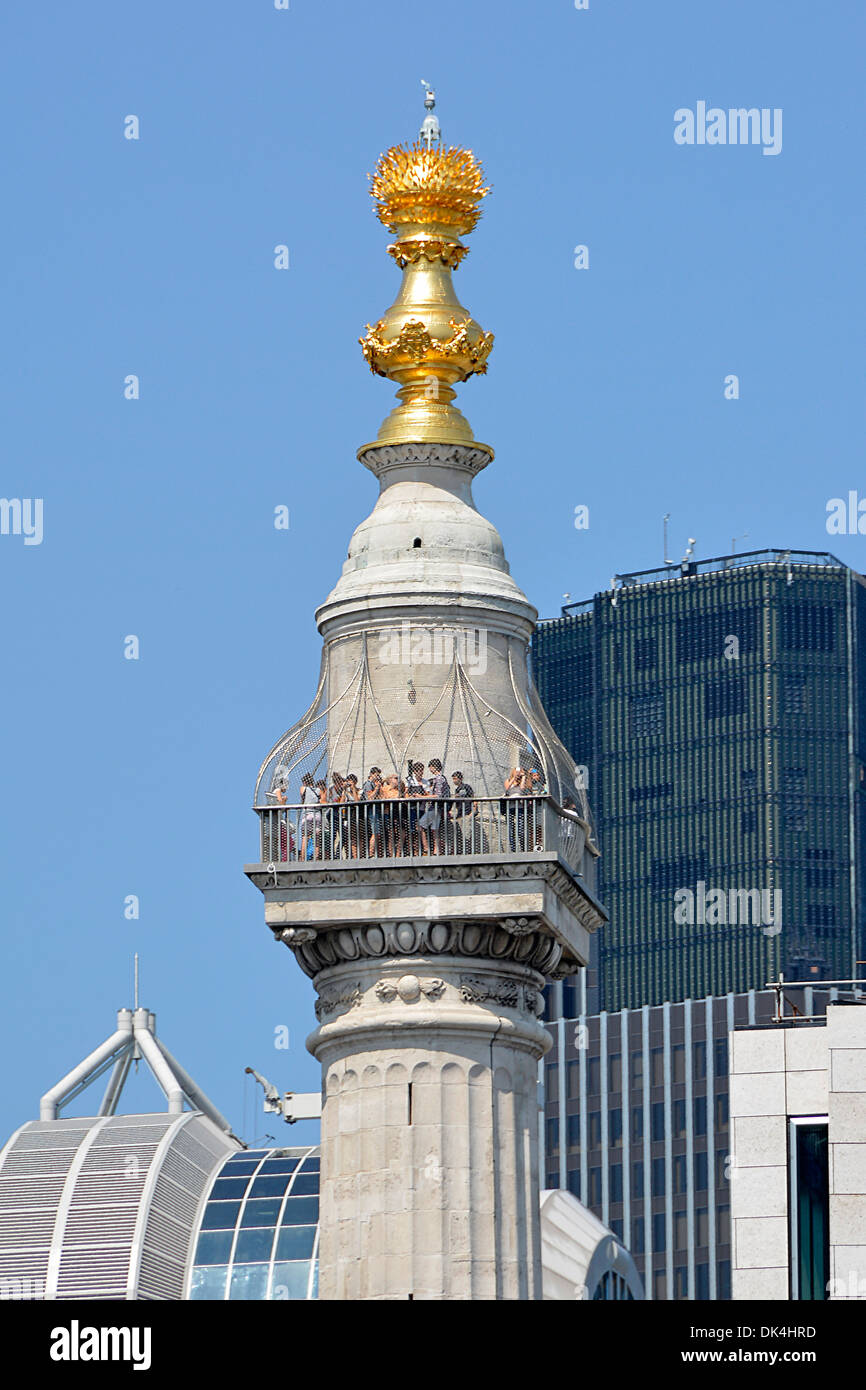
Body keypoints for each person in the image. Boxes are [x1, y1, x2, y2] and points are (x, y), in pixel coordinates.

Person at [420, 758, 448, 854]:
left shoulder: (439, 778)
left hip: (435, 807)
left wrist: (422, 797)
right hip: (438, 808)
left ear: (433, 767)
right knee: (434, 830)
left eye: (430, 768)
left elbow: (438, 795)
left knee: (419, 827)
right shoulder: (440, 778)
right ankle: (437, 850)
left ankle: (426, 848)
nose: (430, 770)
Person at [448, 770, 476, 853]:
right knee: (461, 834)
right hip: (460, 814)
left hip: (467, 813)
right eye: (453, 779)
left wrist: (473, 811)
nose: (454, 781)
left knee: (467, 834)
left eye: (455, 779)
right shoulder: (457, 790)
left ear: (460, 779)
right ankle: (462, 851)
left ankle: (468, 852)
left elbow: (473, 797)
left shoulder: (466, 787)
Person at [504, 767, 529, 852]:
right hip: (510, 807)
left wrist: (523, 777)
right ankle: (513, 849)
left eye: (519, 772)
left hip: (520, 807)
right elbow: (507, 789)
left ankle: (523, 848)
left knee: (521, 829)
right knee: (511, 830)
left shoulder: (522, 782)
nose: (518, 773)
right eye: (516, 772)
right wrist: (514, 778)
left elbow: (522, 789)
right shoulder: (508, 780)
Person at [299, 772, 322, 862]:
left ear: (304, 782)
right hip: (317, 815)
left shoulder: (303, 788)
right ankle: (316, 857)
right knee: (316, 837)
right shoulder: (318, 790)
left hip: (307, 814)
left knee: (305, 836)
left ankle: (302, 857)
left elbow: (302, 796)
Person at [362, 766, 383, 857]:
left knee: (378, 833)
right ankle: (371, 853)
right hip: (372, 811)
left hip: (377, 810)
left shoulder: (374, 784)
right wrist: (377, 788)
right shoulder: (368, 784)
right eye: (376, 775)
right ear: (371, 774)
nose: (377, 777)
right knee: (375, 832)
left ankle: (376, 852)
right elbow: (370, 797)